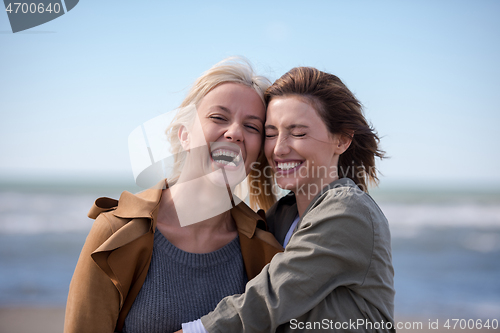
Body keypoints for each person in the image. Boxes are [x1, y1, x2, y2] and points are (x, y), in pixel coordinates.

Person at [63, 57, 283, 333]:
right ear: (185, 134)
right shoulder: (115, 233)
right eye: (218, 117)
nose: (236, 132)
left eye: (252, 127)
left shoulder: (265, 250)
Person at [181, 67, 395, 332]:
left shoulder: (349, 210)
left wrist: (195, 330)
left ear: (341, 140)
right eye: (270, 134)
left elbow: (270, 297)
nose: (279, 149)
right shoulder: (279, 217)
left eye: (298, 133)